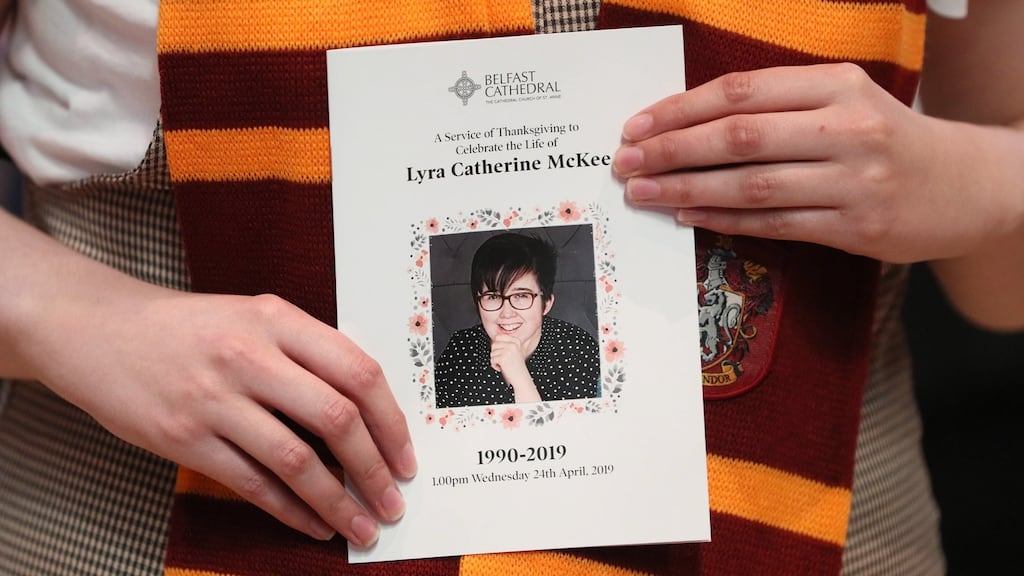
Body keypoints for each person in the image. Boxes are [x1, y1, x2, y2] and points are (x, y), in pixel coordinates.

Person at [1, 1, 1021, 575]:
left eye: (522, 298)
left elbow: (1000, 290)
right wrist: (69, 314)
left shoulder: (564, 349)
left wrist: (979, 181)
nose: (504, 311)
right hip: (146, 528)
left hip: (823, 535)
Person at [434, 232, 601, 408]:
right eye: (493, 296)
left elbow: (569, 426)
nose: (506, 313)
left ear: (546, 303)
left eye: (521, 295)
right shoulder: (460, 349)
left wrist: (519, 376)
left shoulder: (578, 348)